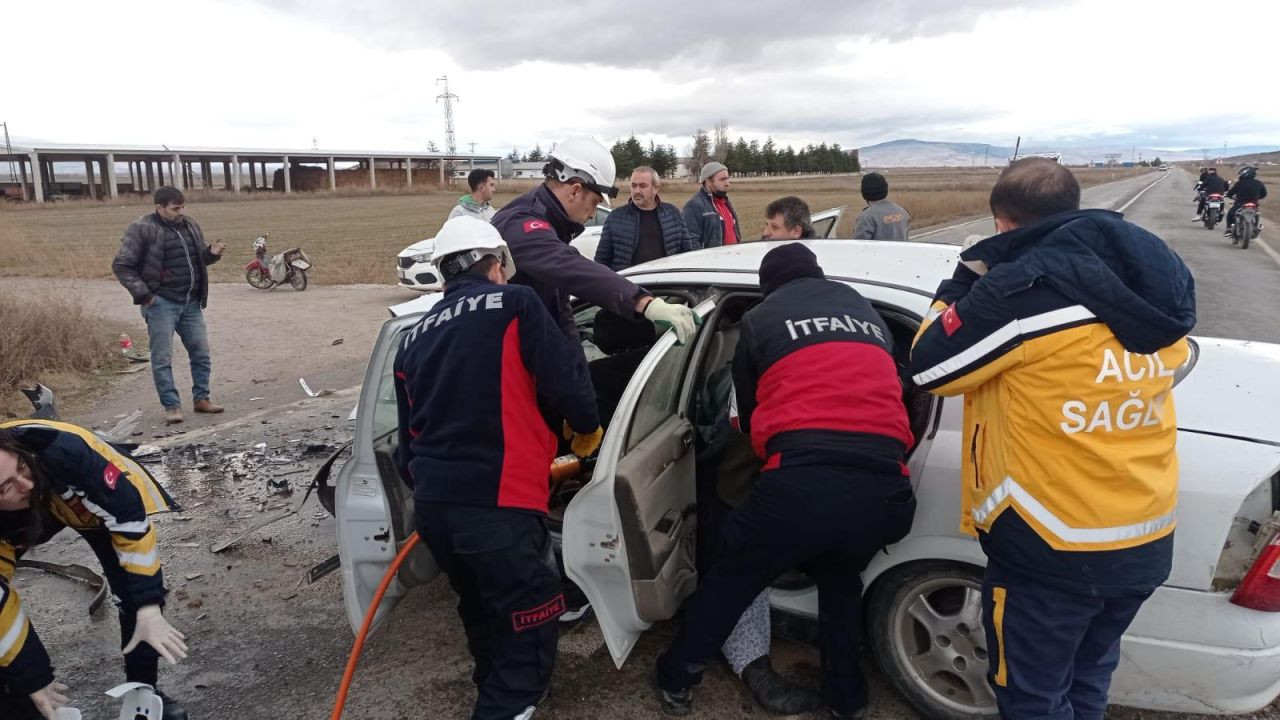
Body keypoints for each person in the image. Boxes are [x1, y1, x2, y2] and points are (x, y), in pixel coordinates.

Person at [909, 158, 1195, 720]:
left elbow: (927, 366)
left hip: (1052, 543)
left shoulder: (1021, 294)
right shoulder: (1146, 283)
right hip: (1144, 533)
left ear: (1002, 222)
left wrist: (963, 281)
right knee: (1088, 676)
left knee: (1032, 697)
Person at [654, 243, 917, 718]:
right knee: (841, 583)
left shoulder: (761, 319)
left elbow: (747, 416)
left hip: (800, 487)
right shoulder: (866, 312)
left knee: (731, 582)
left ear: (768, 286)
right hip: (886, 492)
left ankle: (676, 677)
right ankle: (848, 700)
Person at [393, 217, 602, 720]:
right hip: (499, 503)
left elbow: (406, 447)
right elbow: (567, 376)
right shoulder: (516, 304)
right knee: (531, 615)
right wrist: (586, 426)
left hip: (436, 508)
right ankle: (507, 704)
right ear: (496, 264)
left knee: (480, 606)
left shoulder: (412, 338)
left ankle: (492, 683)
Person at [0, 421, 189, 720]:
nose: (27, 485)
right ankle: (25, 705)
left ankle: (143, 692)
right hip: (13, 520)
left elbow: (128, 521)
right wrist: (32, 677)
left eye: (22, 468)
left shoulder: (62, 450)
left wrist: (148, 605)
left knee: (133, 591)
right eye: (5, 487)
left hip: (81, 497)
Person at [491, 136, 697, 345]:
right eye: (594, 202)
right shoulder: (520, 223)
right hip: (511, 353)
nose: (592, 214)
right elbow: (571, 267)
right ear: (575, 190)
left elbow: (559, 306)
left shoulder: (547, 219)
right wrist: (644, 302)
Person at [112, 187, 225, 425]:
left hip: (191, 302)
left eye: (183, 207)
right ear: (159, 208)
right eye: (175, 208)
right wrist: (145, 296)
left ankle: (202, 399)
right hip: (160, 303)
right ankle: (172, 406)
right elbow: (122, 265)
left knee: (201, 353)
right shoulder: (142, 228)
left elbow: (195, 260)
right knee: (162, 358)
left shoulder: (189, 225)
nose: (181, 212)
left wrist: (210, 254)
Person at [594, 166, 694, 270]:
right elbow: (601, 261)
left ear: (655, 188)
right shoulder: (615, 217)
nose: (637, 190)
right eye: (633, 186)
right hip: (627, 279)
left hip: (665, 279)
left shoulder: (672, 213)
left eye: (642, 186)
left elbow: (687, 255)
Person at [682, 162, 741, 249]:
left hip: (734, 255)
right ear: (708, 182)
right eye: (722, 179)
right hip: (713, 257)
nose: (727, 183)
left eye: (727, 178)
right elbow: (690, 242)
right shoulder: (694, 206)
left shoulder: (726, 202)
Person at [853, 172, 910, 240]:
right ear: (885, 189)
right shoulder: (902, 212)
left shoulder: (866, 217)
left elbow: (860, 245)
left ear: (864, 192)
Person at [1225, 165, 1268, 237]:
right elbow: (1264, 193)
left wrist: (1230, 196)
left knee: (1230, 214)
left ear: (1245, 173)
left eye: (1241, 173)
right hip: (1254, 203)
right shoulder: (1259, 183)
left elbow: (1230, 193)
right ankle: (1255, 228)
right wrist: (1258, 197)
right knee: (1256, 214)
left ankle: (1229, 229)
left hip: (1240, 203)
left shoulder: (1240, 183)